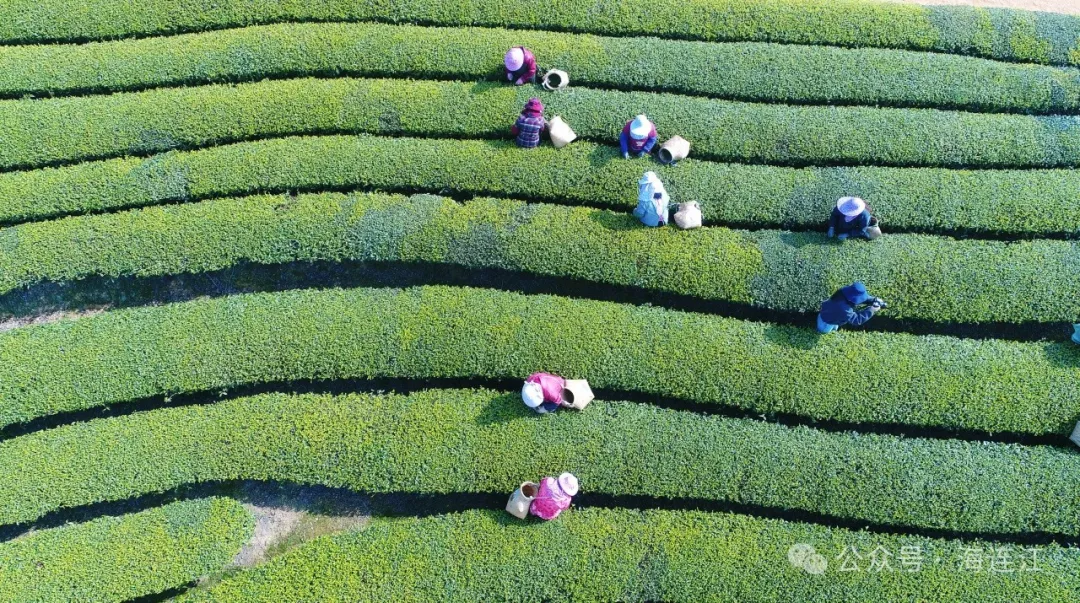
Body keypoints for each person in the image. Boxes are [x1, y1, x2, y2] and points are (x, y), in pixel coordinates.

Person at [817, 282, 885, 334]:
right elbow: (856, 320)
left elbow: (864, 298)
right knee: (825, 330)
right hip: (826, 321)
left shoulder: (843, 292)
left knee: (835, 326)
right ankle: (819, 330)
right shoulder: (844, 309)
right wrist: (871, 310)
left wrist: (874, 299)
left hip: (830, 312)